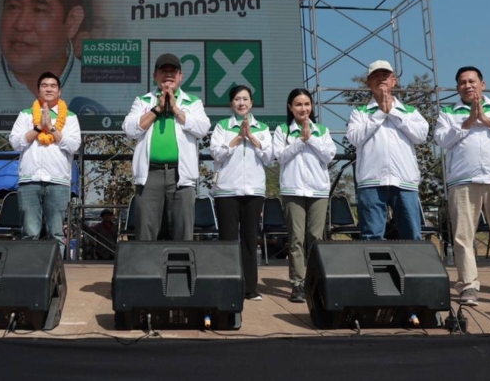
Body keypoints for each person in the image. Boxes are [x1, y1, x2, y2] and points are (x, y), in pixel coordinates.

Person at [434, 66, 490, 308]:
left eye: (472, 81)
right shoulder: (448, 112)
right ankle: (468, 285)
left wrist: (487, 120)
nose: (468, 86)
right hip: (463, 181)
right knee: (463, 236)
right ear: (457, 88)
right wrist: (467, 122)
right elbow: (442, 139)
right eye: (462, 82)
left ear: (482, 84)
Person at [122, 53, 210, 241]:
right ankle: (146, 271)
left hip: (180, 175)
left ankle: (181, 269)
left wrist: (176, 109)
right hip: (150, 174)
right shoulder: (143, 101)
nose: (168, 75)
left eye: (173, 71)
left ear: (180, 76)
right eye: (164, 71)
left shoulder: (192, 102)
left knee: (183, 230)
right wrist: (158, 109)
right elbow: (130, 129)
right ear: (155, 76)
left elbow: (203, 129)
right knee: (145, 231)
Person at [346, 60, 429, 241]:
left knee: (412, 235)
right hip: (371, 180)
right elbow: (354, 138)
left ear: (394, 81)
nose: (381, 79)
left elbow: (421, 136)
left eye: (385, 76)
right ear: (368, 83)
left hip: (405, 181)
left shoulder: (409, 111)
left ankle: (414, 270)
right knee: (372, 236)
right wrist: (380, 113)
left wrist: (392, 112)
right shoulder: (359, 113)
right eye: (375, 76)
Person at [210, 85, 274, 301]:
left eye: (245, 99)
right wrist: (237, 138)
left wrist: (252, 138)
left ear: (252, 103)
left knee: (249, 239)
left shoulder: (262, 128)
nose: (241, 103)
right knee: (227, 239)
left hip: (254, 191)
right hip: (226, 191)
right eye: (237, 99)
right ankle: (227, 285)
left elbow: (269, 158)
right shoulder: (222, 126)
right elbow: (216, 154)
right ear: (231, 103)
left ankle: (250, 288)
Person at [9, 71, 81, 256]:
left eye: (53, 86)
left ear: (59, 91)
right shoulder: (25, 115)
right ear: (38, 89)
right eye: (44, 85)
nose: (49, 89)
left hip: (58, 182)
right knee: (30, 233)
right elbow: (15, 142)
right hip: (29, 180)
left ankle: (54, 277)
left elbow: (73, 145)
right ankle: (30, 274)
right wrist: (38, 127)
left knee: (56, 233)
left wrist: (52, 128)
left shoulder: (70, 117)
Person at [274, 89, 335, 303]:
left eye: (307, 104)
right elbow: (280, 156)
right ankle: (297, 284)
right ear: (290, 107)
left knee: (316, 238)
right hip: (292, 190)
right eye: (298, 104)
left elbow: (329, 155)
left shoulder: (322, 130)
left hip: (318, 190)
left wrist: (311, 139)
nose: (303, 109)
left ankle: (317, 281)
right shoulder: (283, 130)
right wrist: (300, 140)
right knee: (296, 239)